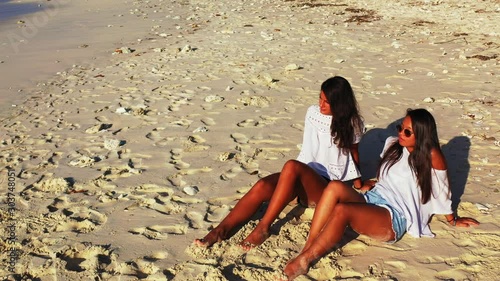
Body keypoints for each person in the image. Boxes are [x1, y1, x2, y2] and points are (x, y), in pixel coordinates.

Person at [283, 108, 480, 280]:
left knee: (342, 210)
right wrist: (372, 183)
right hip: (373, 198)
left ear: (421, 135)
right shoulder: (394, 145)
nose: (401, 133)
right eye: (400, 128)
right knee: (334, 186)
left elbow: (442, 189)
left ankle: (305, 260)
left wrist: (452, 218)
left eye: (407, 131)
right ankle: (308, 246)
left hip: (395, 215)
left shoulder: (432, 156)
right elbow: (388, 176)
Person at [194, 76, 365, 248]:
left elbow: (353, 152)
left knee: (291, 165)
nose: (321, 104)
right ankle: (220, 231)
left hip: (324, 188)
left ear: (339, 103)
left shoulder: (353, 122)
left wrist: (358, 183)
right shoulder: (312, 112)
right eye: (320, 98)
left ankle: (263, 227)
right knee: (262, 185)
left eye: (327, 102)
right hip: (302, 175)